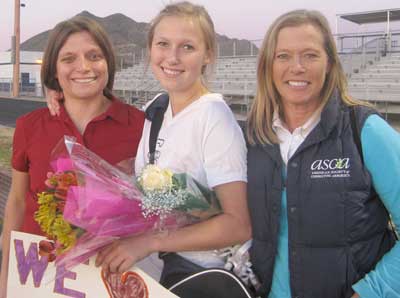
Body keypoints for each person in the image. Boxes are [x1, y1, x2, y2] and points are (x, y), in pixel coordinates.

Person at [94, 1, 251, 289]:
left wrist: (148, 241)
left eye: (187, 47)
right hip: (163, 269)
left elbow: (237, 224)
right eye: (163, 44)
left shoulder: (213, 116)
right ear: (151, 49)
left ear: (208, 55)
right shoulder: (158, 107)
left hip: (204, 278)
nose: (172, 57)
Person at [246, 9, 400, 298]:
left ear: (329, 63)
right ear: (268, 64)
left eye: (310, 55)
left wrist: (372, 292)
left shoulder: (365, 130)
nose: (297, 67)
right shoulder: (255, 137)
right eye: (283, 56)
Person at [0, 16, 144, 297]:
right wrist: (5, 277)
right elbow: (17, 201)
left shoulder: (139, 125)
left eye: (94, 56)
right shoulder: (30, 126)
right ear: (54, 69)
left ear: (108, 64)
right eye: (68, 59)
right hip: (36, 274)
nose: (84, 67)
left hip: (107, 279)